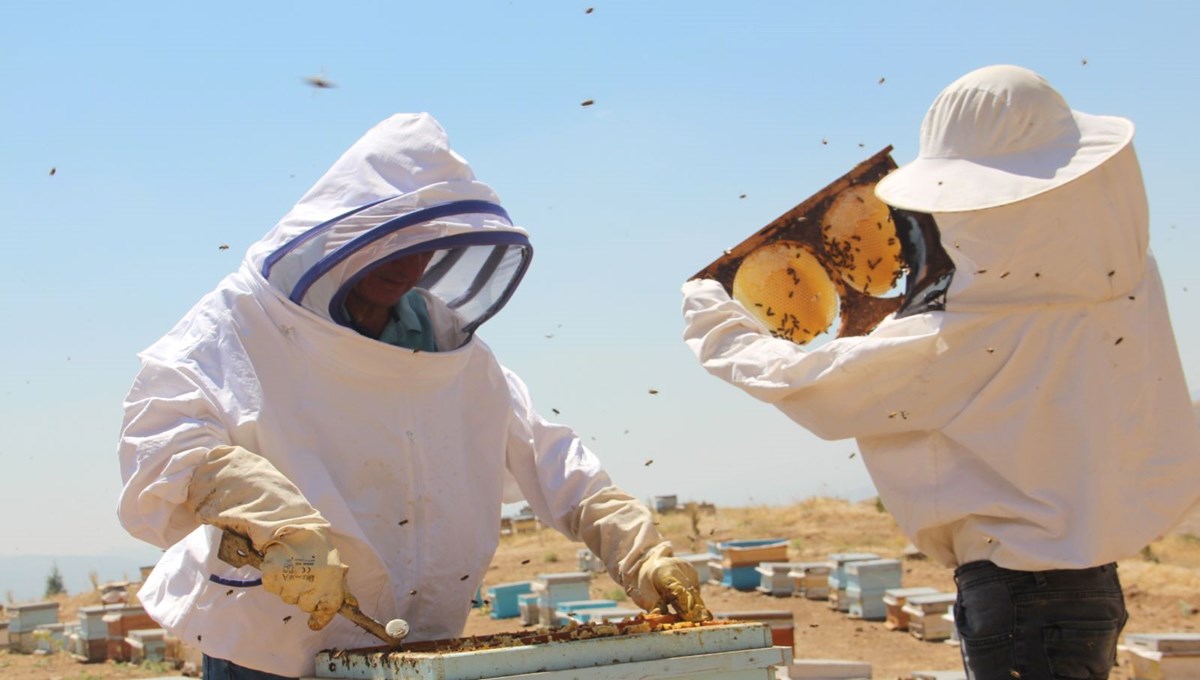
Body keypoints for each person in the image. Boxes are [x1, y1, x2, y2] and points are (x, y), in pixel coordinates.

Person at [118, 113, 708, 679]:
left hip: (419, 639)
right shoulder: (246, 322)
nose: (409, 263)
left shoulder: (448, 346)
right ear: (345, 231)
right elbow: (163, 438)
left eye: (424, 244)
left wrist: (638, 549)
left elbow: (551, 457)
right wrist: (265, 513)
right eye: (390, 241)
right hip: (270, 644)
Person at [681, 65, 1200, 680]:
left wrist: (716, 322)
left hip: (1021, 593)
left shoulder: (966, 333)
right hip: (1090, 584)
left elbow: (812, 386)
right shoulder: (1128, 280)